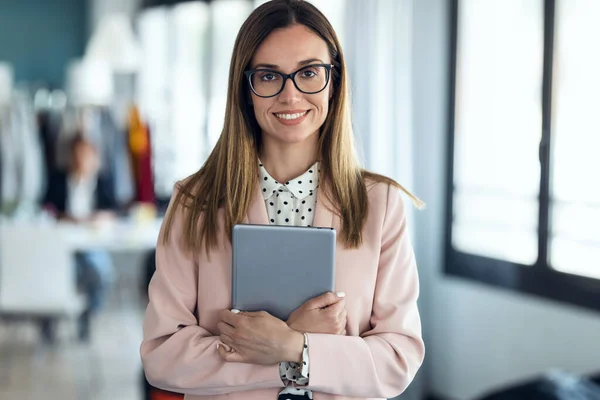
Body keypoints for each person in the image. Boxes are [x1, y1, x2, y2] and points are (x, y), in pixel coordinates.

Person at [141, 1, 425, 399]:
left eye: (309, 73)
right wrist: (286, 353)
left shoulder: (382, 205)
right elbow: (163, 354)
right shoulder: (194, 202)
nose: (290, 95)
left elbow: (398, 357)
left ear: (334, 81)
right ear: (247, 89)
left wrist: (293, 347)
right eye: (269, 75)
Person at [42, 134, 116, 342]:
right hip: (61, 244)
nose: (81, 160)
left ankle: (88, 314)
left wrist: (98, 218)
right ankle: (50, 318)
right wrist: (68, 218)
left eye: (86, 155)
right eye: (77, 155)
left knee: (101, 272)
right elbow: (47, 209)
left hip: (91, 244)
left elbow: (114, 210)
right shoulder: (57, 180)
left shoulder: (103, 181)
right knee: (57, 275)